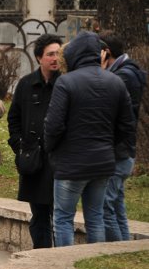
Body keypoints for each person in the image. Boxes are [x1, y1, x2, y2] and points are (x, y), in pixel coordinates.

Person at [44, 31, 136, 247]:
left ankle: (66, 265)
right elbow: (127, 125)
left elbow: (53, 125)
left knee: (63, 218)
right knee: (95, 218)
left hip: (71, 163)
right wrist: (109, 146)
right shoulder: (115, 81)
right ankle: (94, 260)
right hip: (103, 162)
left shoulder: (66, 82)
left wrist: (51, 149)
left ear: (74, 54)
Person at [7, 34, 63, 249]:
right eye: (50, 54)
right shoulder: (26, 84)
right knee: (39, 215)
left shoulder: (65, 83)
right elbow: (14, 119)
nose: (55, 58)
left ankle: (59, 259)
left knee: (59, 215)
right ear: (39, 57)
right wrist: (19, 146)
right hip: (34, 160)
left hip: (59, 161)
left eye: (58, 53)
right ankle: (41, 255)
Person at [99, 31, 147, 242]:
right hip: (122, 150)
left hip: (119, 152)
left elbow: (107, 107)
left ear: (106, 52)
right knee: (116, 203)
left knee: (105, 205)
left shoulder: (123, 76)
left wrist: (100, 73)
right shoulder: (124, 72)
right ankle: (124, 246)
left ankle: (115, 249)